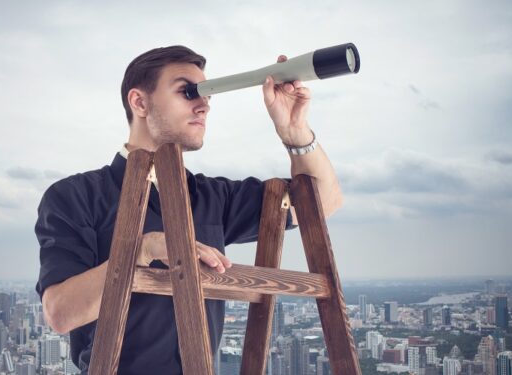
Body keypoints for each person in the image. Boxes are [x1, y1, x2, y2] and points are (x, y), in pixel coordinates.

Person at [35, 45, 343, 374]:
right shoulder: (74, 196)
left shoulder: (213, 196)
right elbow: (60, 313)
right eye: (188, 92)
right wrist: (142, 250)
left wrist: (295, 131)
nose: (204, 105)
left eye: (207, 95)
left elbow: (323, 202)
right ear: (139, 102)